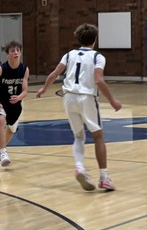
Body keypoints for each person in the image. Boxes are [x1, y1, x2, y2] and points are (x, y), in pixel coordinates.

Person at [35, 23, 122, 191]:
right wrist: (112, 100)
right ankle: (104, 178)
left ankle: (80, 167)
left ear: (78, 39)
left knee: (78, 136)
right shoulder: (98, 57)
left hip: (68, 97)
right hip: (86, 97)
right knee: (98, 136)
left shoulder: (69, 55)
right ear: (95, 39)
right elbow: (99, 80)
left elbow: (54, 74)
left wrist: (43, 89)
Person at [0, 41, 29, 166]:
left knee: (11, 130)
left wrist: (19, 97)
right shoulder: (1, 69)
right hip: (0, 101)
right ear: (8, 54)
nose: (16, 53)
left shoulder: (24, 69)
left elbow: (25, 91)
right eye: (13, 51)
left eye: (18, 50)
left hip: (15, 104)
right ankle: (3, 152)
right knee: (1, 121)